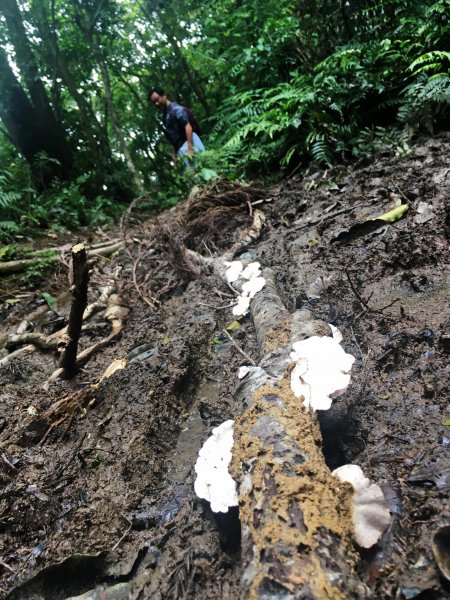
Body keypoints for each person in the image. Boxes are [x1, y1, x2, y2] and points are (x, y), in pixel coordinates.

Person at [148, 87, 205, 165]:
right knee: (196, 175)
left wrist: (190, 149)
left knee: (205, 167)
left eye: (157, 100)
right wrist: (174, 154)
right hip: (182, 148)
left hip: (190, 142)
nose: (156, 103)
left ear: (164, 95)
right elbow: (174, 136)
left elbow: (188, 126)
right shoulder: (165, 116)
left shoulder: (176, 109)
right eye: (154, 102)